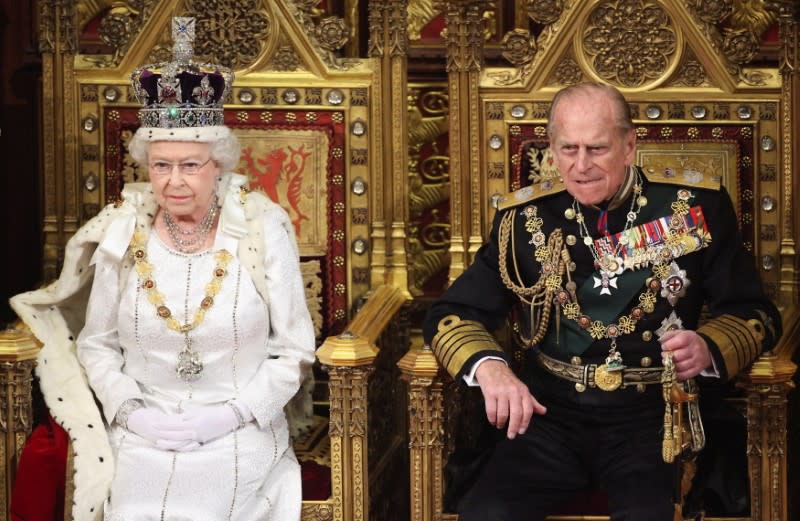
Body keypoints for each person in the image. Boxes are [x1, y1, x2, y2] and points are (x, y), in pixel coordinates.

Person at [422, 82, 781, 520]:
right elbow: (452, 313)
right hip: (547, 415)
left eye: (597, 148)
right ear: (551, 150)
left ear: (629, 146)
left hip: (653, 416)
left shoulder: (690, 208)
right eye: (567, 148)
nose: (581, 165)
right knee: (485, 513)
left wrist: (707, 346)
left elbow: (756, 314)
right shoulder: (523, 219)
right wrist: (492, 369)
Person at [10, 17, 315, 520]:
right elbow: (97, 344)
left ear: (218, 163)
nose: (174, 181)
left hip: (237, 431)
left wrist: (229, 416)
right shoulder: (123, 231)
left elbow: (294, 350)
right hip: (140, 434)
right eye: (161, 165)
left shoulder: (263, 226)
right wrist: (133, 412)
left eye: (190, 164)